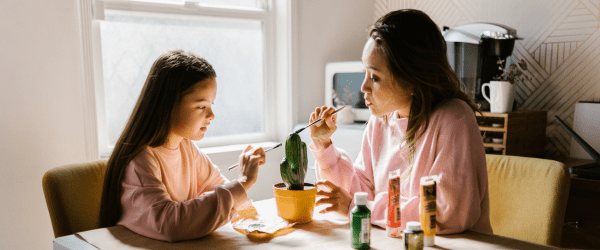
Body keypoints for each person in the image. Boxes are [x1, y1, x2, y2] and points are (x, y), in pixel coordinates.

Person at [310, 9, 493, 234]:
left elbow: (447, 213)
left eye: (375, 77)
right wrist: (325, 147)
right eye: (364, 73)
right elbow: (360, 193)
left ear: (412, 79)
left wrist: (362, 208)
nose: (363, 87)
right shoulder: (380, 122)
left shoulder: (454, 119)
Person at [98, 49, 266, 242]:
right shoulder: (141, 161)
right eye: (202, 106)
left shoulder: (186, 148)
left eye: (211, 105)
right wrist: (243, 182)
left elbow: (222, 193)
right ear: (168, 105)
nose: (211, 115)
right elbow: (170, 225)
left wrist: (258, 224)